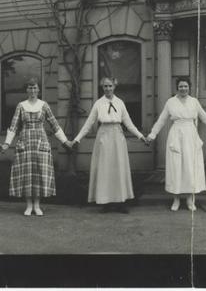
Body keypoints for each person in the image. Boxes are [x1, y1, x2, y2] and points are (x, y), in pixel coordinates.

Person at [69, 77, 147, 213]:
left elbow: (128, 123)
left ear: (114, 87)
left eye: (110, 86)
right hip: (104, 136)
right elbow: (88, 124)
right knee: (105, 170)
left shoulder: (120, 103)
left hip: (117, 135)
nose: (108, 89)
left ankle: (120, 202)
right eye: (105, 86)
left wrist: (141, 136)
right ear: (102, 87)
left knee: (118, 168)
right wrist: (76, 139)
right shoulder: (99, 104)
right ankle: (106, 202)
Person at [145, 77, 206, 212]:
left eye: (185, 86)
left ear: (189, 87)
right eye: (181, 86)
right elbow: (162, 120)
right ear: (177, 88)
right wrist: (152, 134)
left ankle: (189, 199)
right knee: (176, 167)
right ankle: (175, 198)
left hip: (191, 135)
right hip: (176, 135)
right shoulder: (171, 102)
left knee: (190, 167)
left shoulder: (194, 102)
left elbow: (205, 117)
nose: (183, 89)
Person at [0, 78, 71, 216]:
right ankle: (28, 205)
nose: (32, 91)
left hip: (40, 142)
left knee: (39, 172)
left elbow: (54, 125)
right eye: (30, 88)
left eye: (35, 88)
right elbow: (13, 127)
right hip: (25, 142)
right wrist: (6, 144)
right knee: (26, 173)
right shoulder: (21, 106)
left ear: (39, 90)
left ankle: (37, 205)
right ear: (27, 90)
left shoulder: (44, 105)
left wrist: (65, 141)